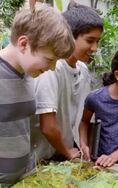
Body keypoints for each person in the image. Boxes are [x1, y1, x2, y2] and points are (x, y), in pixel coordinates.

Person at [0, 3, 74, 186]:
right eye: (49, 59)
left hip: (22, 178)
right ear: (24, 43)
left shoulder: (28, 75)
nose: (52, 67)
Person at [30, 1, 103, 162]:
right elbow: (48, 127)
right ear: (69, 35)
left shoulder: (82, 70)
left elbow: (79, 118)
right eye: (90, 40)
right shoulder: (51, 69)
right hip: (41, 159)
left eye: (97, 41)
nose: (95, 48)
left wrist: (83, 144)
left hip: (62, 155)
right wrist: (68, 152)